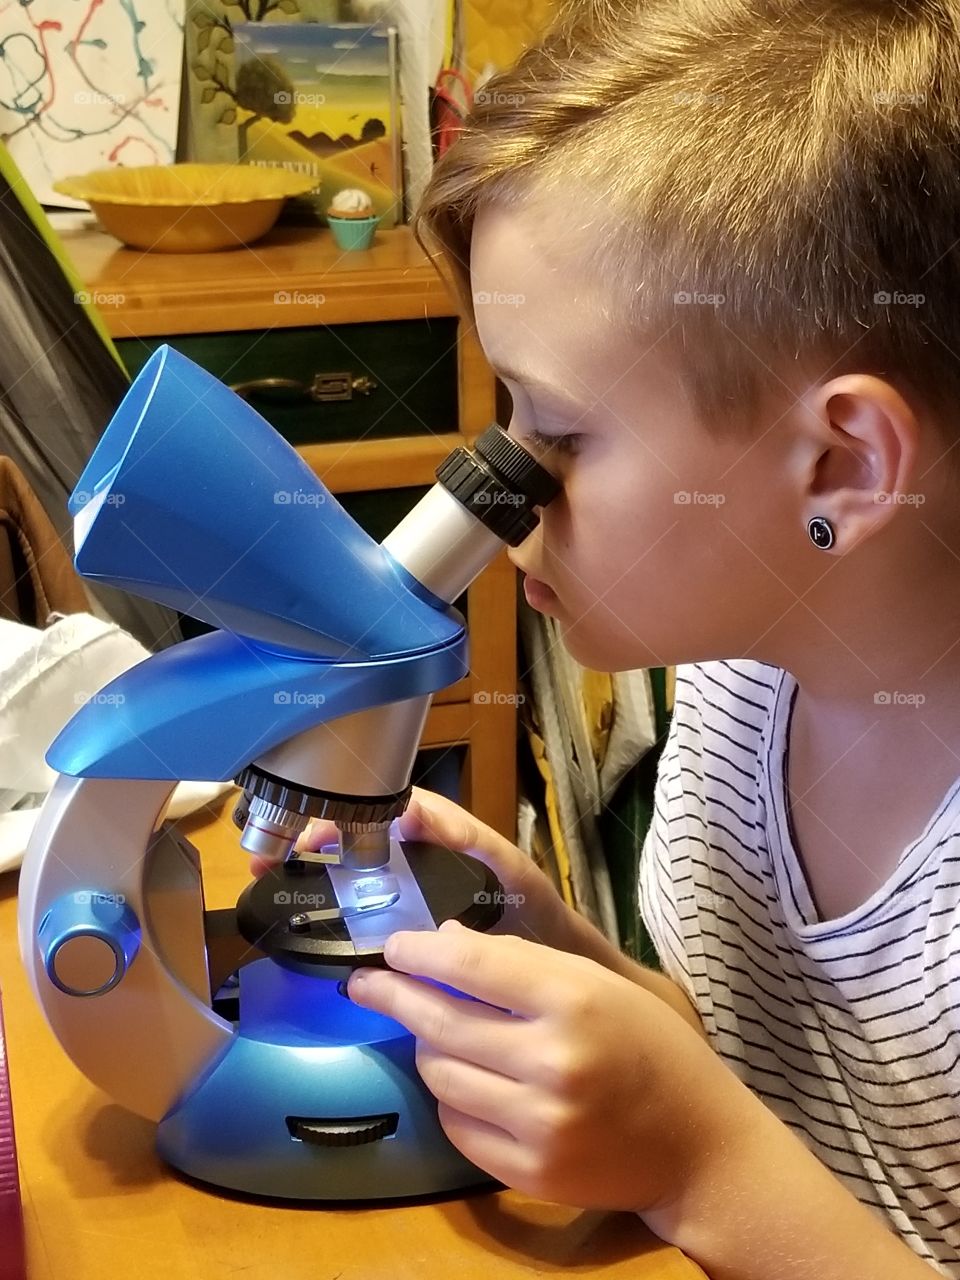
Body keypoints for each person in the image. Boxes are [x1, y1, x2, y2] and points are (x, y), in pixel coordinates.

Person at [255, 1, 960, 1274]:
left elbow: (746, 1149)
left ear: (843, 465)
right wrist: (542, 940)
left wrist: (701, 1161)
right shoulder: (749, 677)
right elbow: (761, 1075)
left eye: (560, 433)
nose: (499, 491)